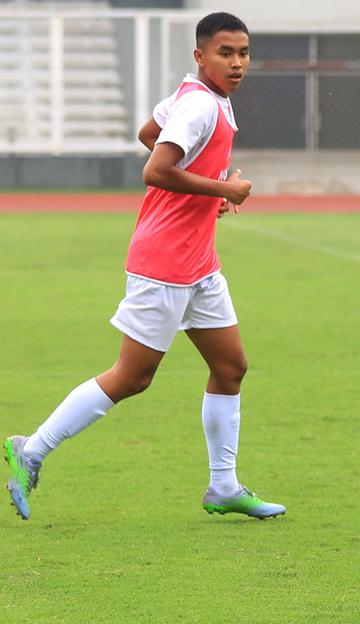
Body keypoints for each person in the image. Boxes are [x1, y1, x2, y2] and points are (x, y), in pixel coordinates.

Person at [4, 12, 284, 521]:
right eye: (225, 53)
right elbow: (155, 169)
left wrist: (209, 192)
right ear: (200, 55)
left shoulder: (198, 96)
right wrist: (221, 188)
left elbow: (148, 131)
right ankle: (31, 449)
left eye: (243, 53)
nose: (237, 63)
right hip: (165, 263)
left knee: (230, 367)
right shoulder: (200, 105)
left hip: (198, 262)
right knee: (132, 377)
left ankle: (223, 487)